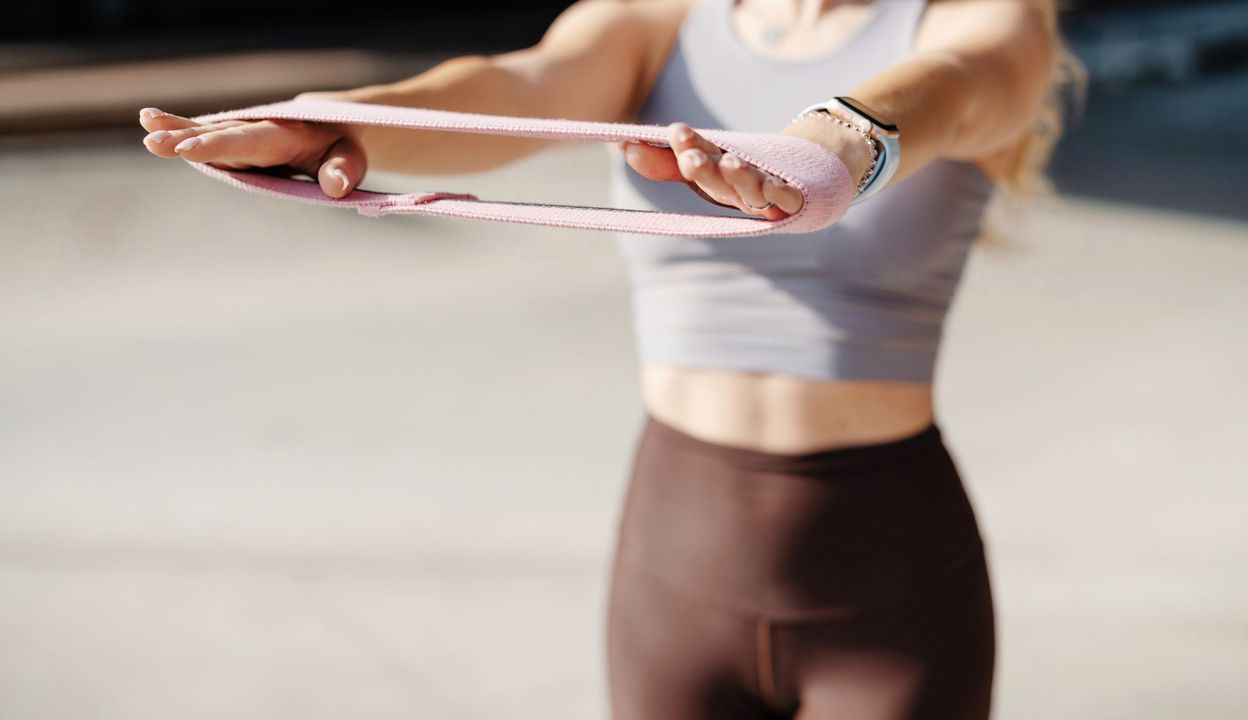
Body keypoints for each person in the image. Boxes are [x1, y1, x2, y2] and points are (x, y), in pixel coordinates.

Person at [140, 1, 1081, 717]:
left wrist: (829, 146)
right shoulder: (660, 18)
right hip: (679, 559)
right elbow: (519, 86)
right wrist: (339, 124)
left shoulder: (980, 18)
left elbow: (959, 82)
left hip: (891, 578)